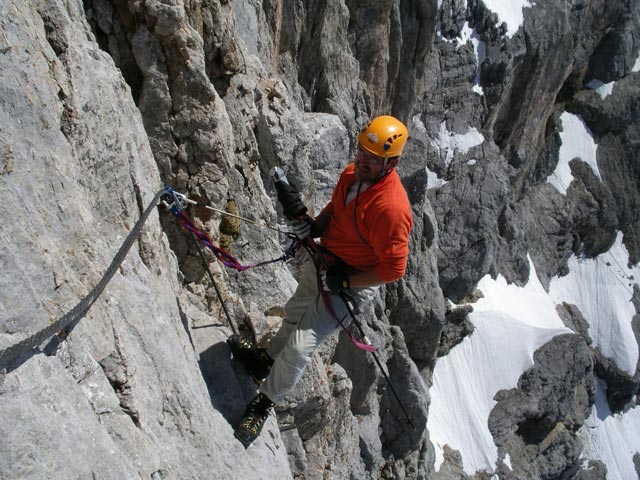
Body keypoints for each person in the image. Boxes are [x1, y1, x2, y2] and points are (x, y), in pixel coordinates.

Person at [229, 115, 414, 448]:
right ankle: (265, 358)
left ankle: (263, 402)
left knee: (301, 345)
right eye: (362, 152)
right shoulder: (351, 173)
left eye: (374, 159)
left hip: (352, 284)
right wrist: (315, 228)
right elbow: (335, 209)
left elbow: (393, 269)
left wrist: (346, 281)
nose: (364, 161)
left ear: (393, 162)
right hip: (325, 260)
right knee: (294, 312)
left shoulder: (392, 209)